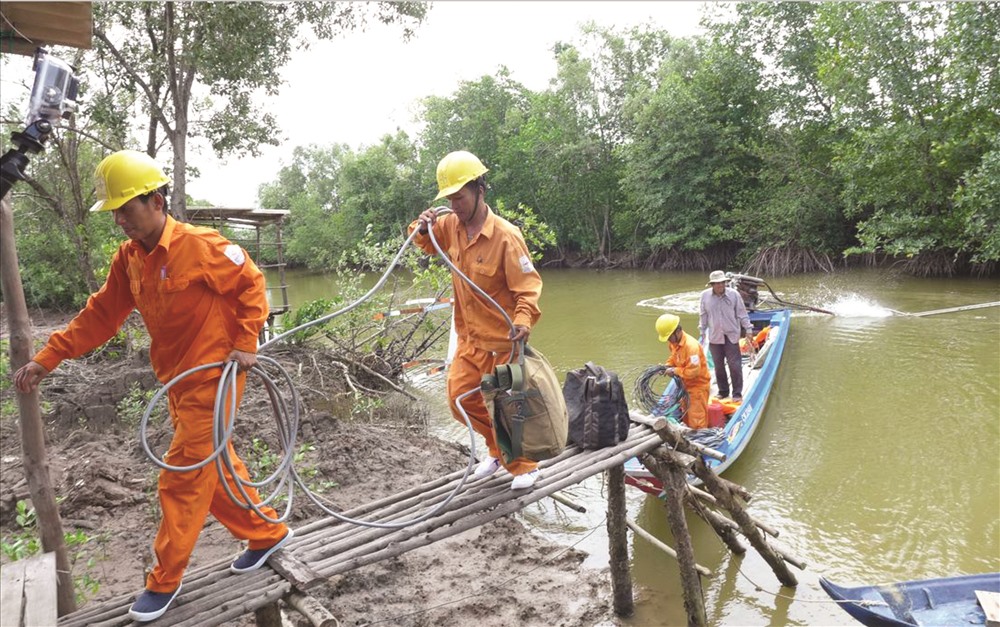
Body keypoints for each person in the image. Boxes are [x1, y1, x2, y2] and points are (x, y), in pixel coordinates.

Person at [12, 150, 293, 622]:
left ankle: (164, 580)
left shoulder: (203, 246)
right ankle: (266, 533)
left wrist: (246, 343)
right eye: (115, 211)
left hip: (215, 381)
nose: (120, 219)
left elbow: (252, 283)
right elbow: (102, 314)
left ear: (156, 201)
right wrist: (48, 357)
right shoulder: (129, 260)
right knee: (218, 467)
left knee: (183, 476)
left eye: (126, 208)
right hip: (177, 384)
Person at [409, 150, 543, 491]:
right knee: (460, 400)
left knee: (508, 407)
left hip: (503, 342)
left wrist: (524, 320)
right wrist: (422, 227)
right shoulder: (451, 225)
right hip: (469, 339)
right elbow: (422, 242)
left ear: (480, 190)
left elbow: (527, 288)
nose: (455, 206)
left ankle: (524, 465)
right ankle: (498, 452)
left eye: (460, 198)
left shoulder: (506, 237)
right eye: (449, 199)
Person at [699, 270, 754, 401]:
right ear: (712, 285)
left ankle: (737, 393)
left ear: (725, 283)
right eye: (716, 284)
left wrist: (749, 329)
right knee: (718, 366)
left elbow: (742, 314)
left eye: (722, 283)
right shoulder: (705, 296)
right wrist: (702, 332)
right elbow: (703, 315)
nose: (720, 286)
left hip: (731, 335)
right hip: (714, 336)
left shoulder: (734, 295)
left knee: (734, 365)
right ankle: (723, 391)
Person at [655, 313, 711, 429]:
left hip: (697, 387)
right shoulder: (673, 343)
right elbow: (674, 357)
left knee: (697, 421)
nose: (669, 341)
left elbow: (693, 372)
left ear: (678, 331)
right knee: (686, 416)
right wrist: (667, 366)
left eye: (670, 337)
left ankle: (700, 441)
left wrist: (674, 371)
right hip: (684, 386)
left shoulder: (692, 347)